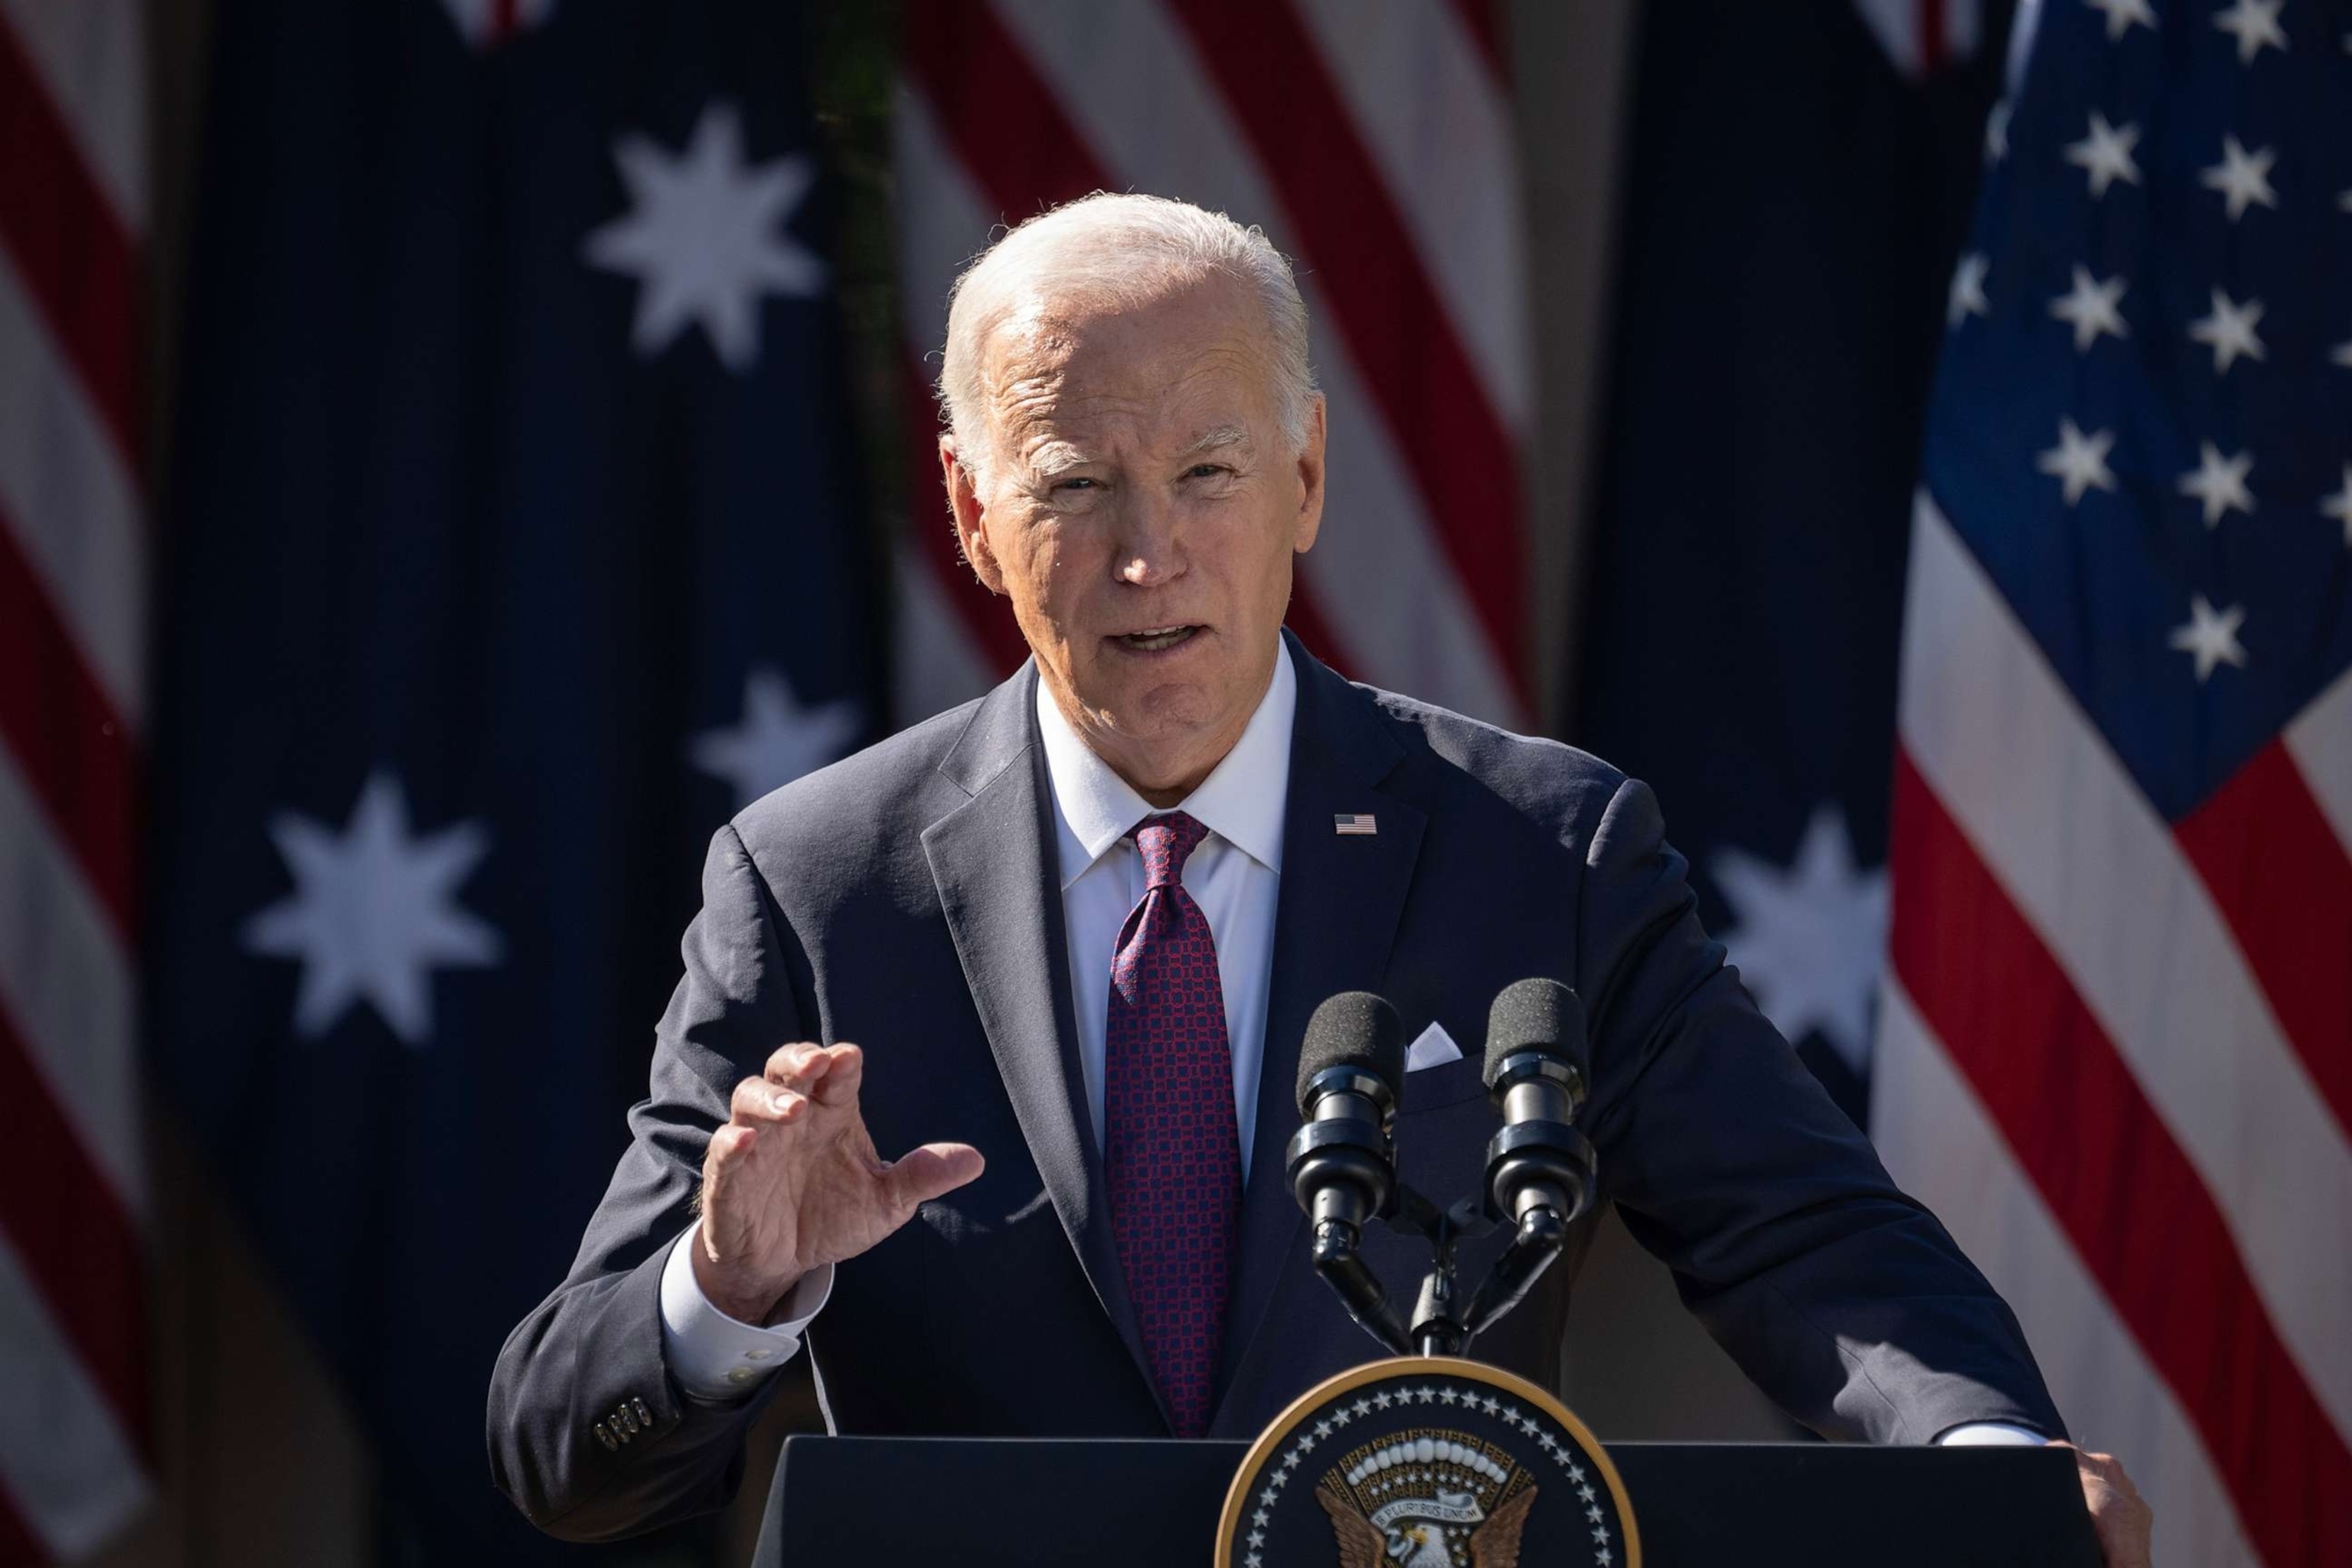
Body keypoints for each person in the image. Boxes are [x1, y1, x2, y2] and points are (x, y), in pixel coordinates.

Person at [487, 194, 2150, 1564]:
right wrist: (733, 1288)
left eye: (1211, 472)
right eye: (1076, 486)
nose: (1153, 557)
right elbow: (563, 1448)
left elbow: (1812, 1242)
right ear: (975, 515)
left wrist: (1990, 1462)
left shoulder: (1545, 853)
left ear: (1307, 479)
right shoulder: (818, 889)